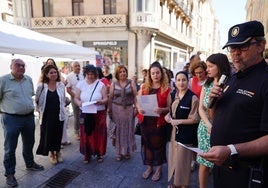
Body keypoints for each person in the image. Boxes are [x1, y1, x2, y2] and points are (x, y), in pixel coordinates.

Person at [199, 20, 268, 188]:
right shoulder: (232, 78)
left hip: (246, 174)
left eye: (242, 47)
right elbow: (216, 119)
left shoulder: (265, 80)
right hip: (222, 168)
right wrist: (213, 104)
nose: (235, 53)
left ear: (261, 46)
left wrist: (231, 150)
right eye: (232, 48)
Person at [0, 59, 44, 187]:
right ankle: (10, 174)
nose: (21, 67)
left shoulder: (28, 79)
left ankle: (30, 163)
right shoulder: (3, 80)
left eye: (23, 65)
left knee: (29, 142)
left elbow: (31, 96)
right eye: (17, 65)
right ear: (11, 67)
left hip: (28, 117)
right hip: (11, 118)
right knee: (10, 147)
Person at [197, 53, 231, 188]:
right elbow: (201, 108)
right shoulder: (207, 84)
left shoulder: (229, 85)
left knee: (220, 166)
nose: (207, 70)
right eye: (207, 66)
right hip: (205, 129)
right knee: (204, 164)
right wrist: (208, 125)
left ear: (220, 66)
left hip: (221, 130)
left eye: (210, 66)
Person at [136, 61, 171, 182]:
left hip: (159, 123)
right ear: (149, 75)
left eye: (157, 73)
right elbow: (137, 100)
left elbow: (170, 108)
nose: (155, 75)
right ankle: (150, 167)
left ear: (161, 74)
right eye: (153, 73)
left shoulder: (166, 89)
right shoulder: (144, 87)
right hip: (146, 122)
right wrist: (139, 108)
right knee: (148, 146)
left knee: (159, 147)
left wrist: (162, 110)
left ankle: (158, 169)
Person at [164, 71, 200, 188]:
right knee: (174, 158)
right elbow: (171, 112)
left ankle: (184, 185)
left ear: (188, 81)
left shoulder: (193, 97)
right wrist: (168, 117)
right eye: (178, 80)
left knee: (183, 161)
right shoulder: (173, 94)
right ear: (175, 81)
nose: (181, 83)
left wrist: (179, 121)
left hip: (186, 134)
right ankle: (176, 183)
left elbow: (195, 119)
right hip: (174, 133)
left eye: (183, 80)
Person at [74, 64, 108, 164]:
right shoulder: (80, 84)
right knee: (86, 133)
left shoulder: (101, 84)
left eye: (92, 74)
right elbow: (76, 97)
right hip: (85, 112)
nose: (90, 76)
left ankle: (99, 153)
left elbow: (106, 98)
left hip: (98, 113)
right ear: (85, 74)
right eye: (88, 74)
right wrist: (79, 103)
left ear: (95, 74)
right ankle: (87, 154)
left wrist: (101, 102)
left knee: (99, 134)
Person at [35, 64, 66, 165]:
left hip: (59, 114)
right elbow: (37, 100)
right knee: (49, 135)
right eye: (51, 73)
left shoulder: (61, 85)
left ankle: (58, 153)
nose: (53, 74)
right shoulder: (42, 86)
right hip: (47, 116)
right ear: (47, 75)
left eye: (55, 72)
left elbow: (63, 99)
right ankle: (52, 154)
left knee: (58, 134)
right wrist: (39, 111)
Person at [108, 65, 137, 161]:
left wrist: (136, 108)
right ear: (117, 74)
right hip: (117, 110)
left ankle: (127, 151)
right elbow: (111, 98)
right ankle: (119, 152)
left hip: (128, 110)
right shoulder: (113, 84)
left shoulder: (131, 82)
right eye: (120, 72)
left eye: (124, 71)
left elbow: (135, 96)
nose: (123, 73)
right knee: (118, 132)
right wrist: (110, 110)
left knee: (128, 131)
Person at [66, 61, 84, 140]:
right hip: (74, 98)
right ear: (72, 67)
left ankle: (83, 131)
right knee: (77, 115)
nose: (77, 67)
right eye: (76, 66)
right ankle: (77, 132)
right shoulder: (69, 76)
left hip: (83, 98)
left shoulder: (83, 75)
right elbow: (68, 89)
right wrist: (75, 96)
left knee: (83, 115)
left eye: (78, 65)